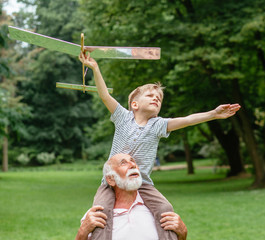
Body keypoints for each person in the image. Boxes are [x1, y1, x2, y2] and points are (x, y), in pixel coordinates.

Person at [78, 51, 241, 240]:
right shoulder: (123, 117)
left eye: (159, 98)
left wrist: (213, 113)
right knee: (100, 214)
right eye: (150, 95)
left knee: (165, 209)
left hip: (144, 183)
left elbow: (187, 120)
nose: (156, 98)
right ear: (134, 104)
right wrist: (95, 68)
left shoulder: (158, 125)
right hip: (112, 180)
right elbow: (105, 95)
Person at [75, 153, 187, 240]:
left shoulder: (157, 211)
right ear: (111, 179)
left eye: (133, 161)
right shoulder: (96, 215)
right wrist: (82, 233)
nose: (133, 165)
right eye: (123, 163)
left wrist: (182, 234)